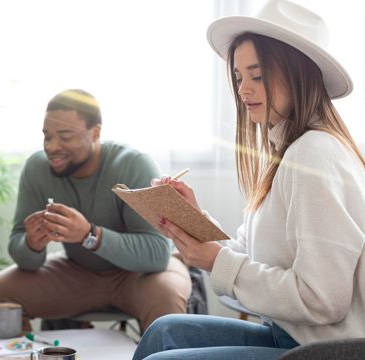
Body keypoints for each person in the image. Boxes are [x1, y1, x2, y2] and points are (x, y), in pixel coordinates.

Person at [133, 0, 365, 359]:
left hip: (323, 351)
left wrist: (214, 261)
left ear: (298, 74)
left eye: (257, 76)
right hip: (287, 335)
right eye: (239, 77)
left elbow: (322, 301)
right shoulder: (289, 152)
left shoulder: (314, 153)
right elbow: (254, 256)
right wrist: (197, 224)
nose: (242, 90)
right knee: (165, 332)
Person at [0, 89, 191, 333]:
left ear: (95, 133)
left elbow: (156, 256)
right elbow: (25, 258)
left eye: (65, 136)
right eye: (47, 136)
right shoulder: (37, 168)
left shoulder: (133, 164)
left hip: (138, 276)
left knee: (166, 298)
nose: (52, 146)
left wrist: (89, 235)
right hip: (77, 272)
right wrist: (31, 244)